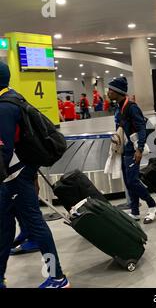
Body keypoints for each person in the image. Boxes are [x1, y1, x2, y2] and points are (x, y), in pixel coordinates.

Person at [0, 62, 70, 288]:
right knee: (4, 226)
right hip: (13, 177)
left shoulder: (4, 107)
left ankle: (57, 277)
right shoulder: (12, 98)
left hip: (16, 177)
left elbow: (3, 150)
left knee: (36, 224)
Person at [107, 77, 156, 224]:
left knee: (133, 180)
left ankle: (152, 205)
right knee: (128, 182)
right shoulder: (118, 107)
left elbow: (141, 128)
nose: (108, 92)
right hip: (124, 149)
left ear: (118, 91)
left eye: (111, 89)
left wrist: (140, 149)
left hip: (133, 150)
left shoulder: (131, 107)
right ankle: (135, 211)